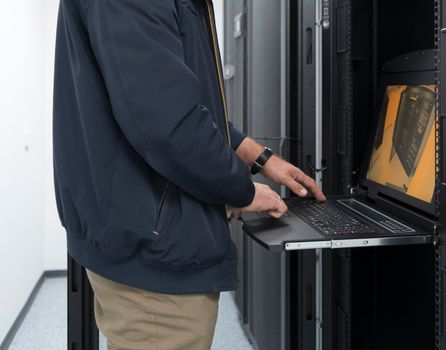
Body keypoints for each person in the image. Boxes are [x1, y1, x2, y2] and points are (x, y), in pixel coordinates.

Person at [53, 0, 326, 349]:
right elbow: (168, 126)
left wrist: (258, 156)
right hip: (156, 251)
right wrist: (243, 190)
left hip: (143, 234)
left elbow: (176, 100)